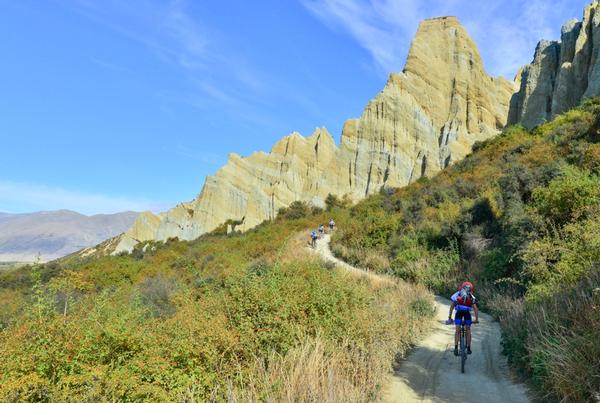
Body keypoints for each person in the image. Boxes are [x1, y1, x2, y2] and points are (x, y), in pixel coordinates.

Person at [448, 281, 479, 356]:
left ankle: (456, 348)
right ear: (470, 289)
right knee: (468, 330)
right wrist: (476, 319)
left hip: (458, 313)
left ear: (462, 287)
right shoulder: (471, 296)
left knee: (457, 331)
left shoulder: (457, 294)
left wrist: (450, 317)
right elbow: (475, 309)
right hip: (467, 314)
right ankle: (468, 348)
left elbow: (452, 306)